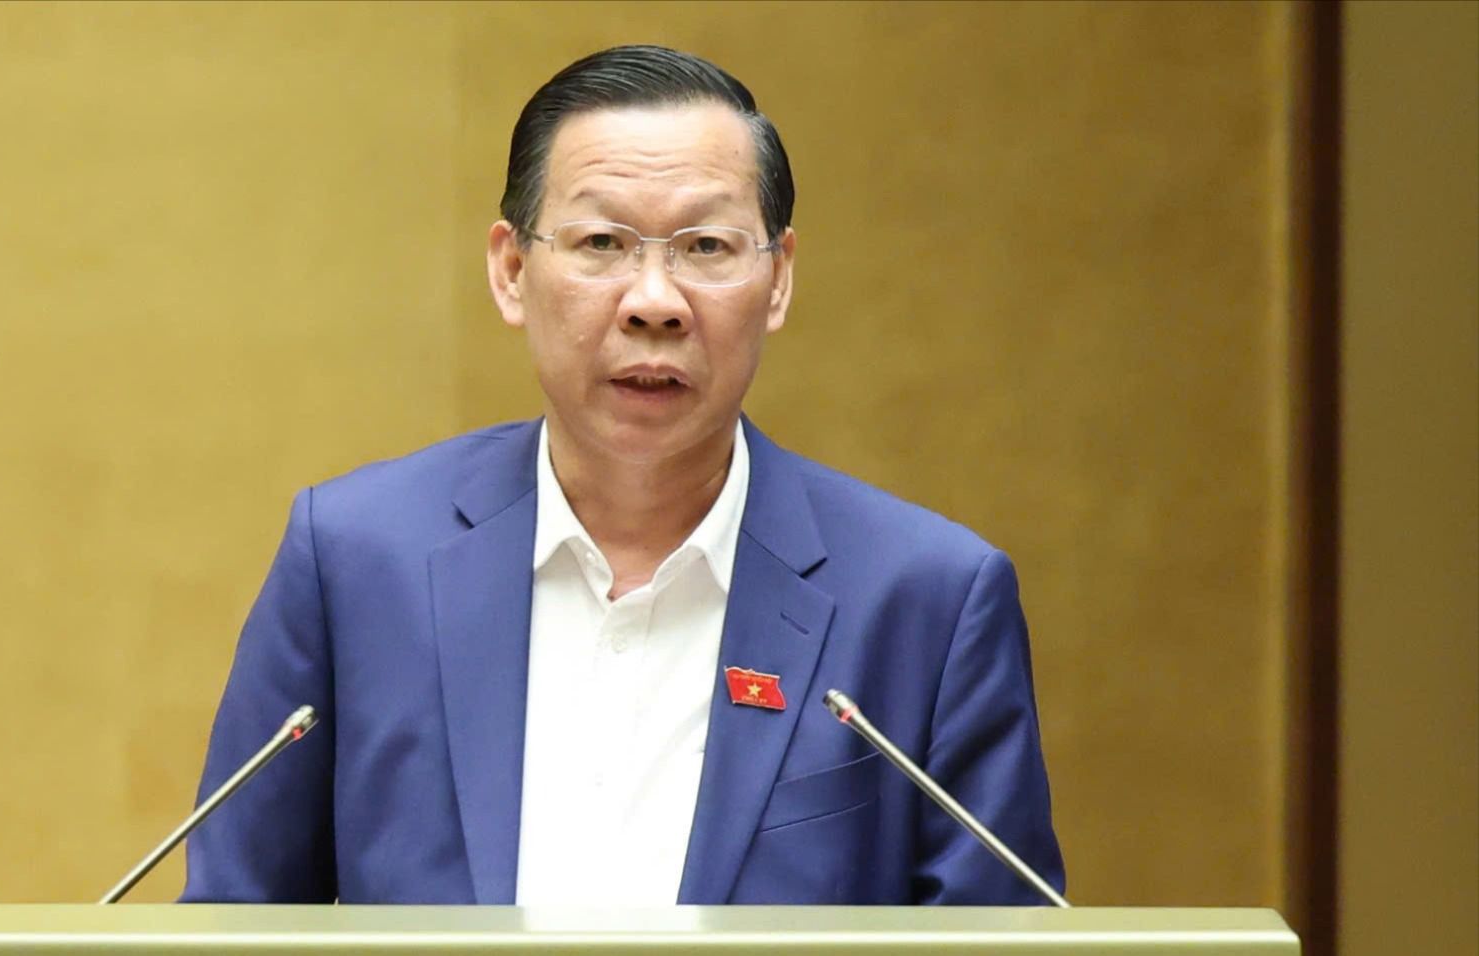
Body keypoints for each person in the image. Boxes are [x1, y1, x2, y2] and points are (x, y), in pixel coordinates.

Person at [182, 44, 1063, 906]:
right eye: (602, 241)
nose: (654, 302)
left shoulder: (927, 601)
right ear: (512, 271)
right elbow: (233, 916)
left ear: (778, 279)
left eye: (707, 246)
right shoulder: (354, 561)